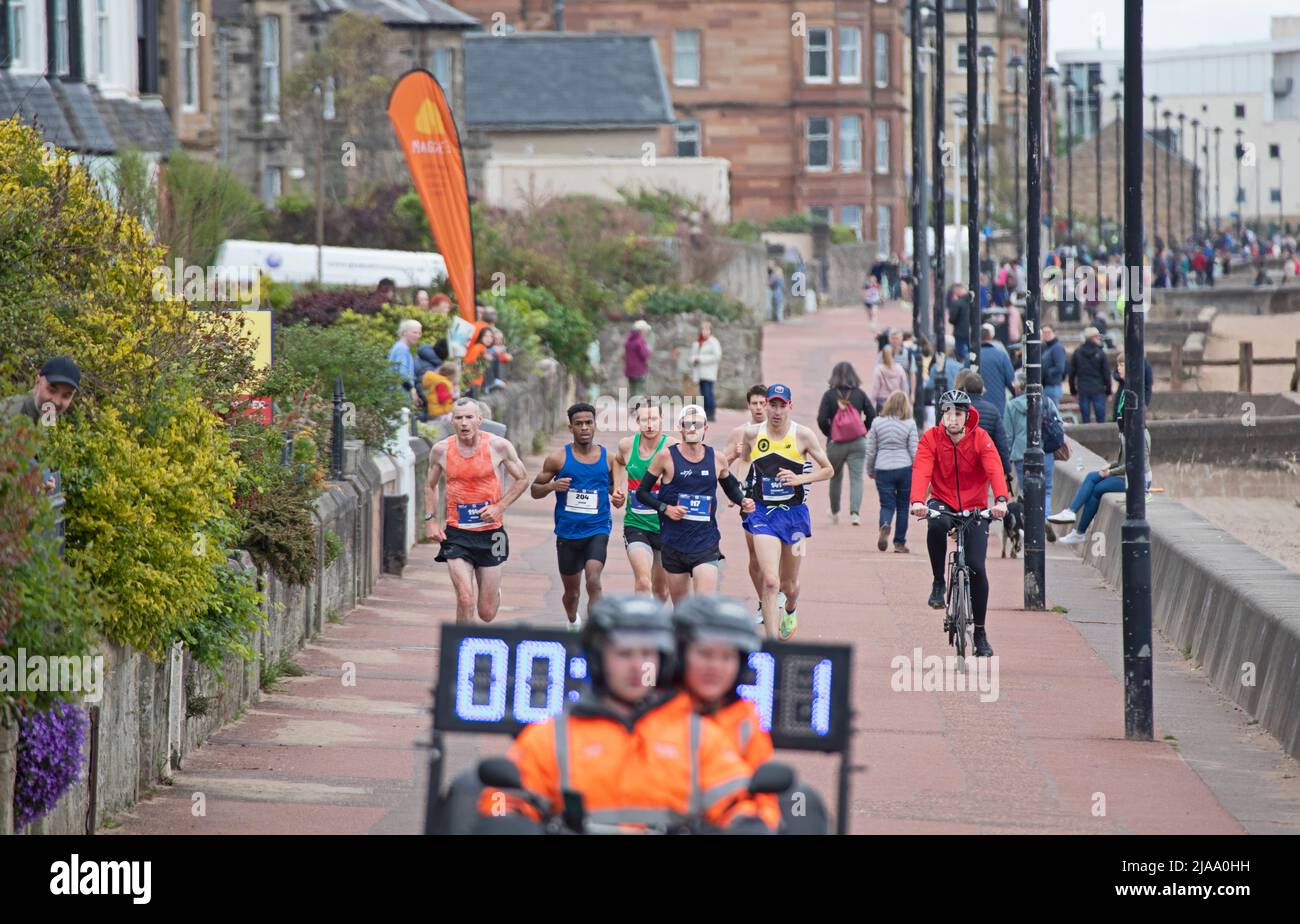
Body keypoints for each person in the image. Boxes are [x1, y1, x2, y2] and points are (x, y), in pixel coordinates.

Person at [478, 595, 777, 833]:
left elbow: (737, 802)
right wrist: (509, 821)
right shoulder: (553, 735)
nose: (638, 667)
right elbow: (502, 799)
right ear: (598, 660)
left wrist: (747, 823)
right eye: (624, 654)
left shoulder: (697, 735)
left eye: (647, 654)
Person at [670, 594, 826, 834]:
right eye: (705, 654)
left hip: (725, 823)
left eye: (726, 657)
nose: (716, 666)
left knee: (804, 804)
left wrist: (754, 823)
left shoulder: (745, 717)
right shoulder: (655, 713)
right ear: (681, 657)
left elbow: (761, 796)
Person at [728, 385, 834, 641]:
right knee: (772, 581)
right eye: (771, 405)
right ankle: (773, 645)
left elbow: (828, 470)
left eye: (781, 405)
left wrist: (800, 478)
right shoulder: (752, 434)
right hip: (763, 514)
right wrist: (740, 492)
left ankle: (790, 608)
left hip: (795, 516)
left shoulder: (803, 435)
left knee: (790, 586)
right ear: (765, 406)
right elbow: (744, 460)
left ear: (790, 406)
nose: (776, 411)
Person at [909, 389, 1009, 658]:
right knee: (937, 524)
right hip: (942, 499)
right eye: (947, 413)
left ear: (967, 416)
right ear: (941, 415)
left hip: (975, 505)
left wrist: (1000, 499)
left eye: (958, 414)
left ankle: (980, 632)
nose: (952, 419)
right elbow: (921, 469)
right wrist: (918, 500)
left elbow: (994, 468)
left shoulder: (980, 438)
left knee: (976, 566)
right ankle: (939, 582)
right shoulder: (931, 438)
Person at [425, 398, 530, 624]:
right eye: (459, 417)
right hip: (457, 533)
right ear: (452, 421)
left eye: (469, 417)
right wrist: (430, 520)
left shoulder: (498, 446)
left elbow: (522, 479)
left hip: (492, 534)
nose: (464, 423)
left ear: (479, 420)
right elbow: (430, 485)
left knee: (487, 613)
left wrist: (499, 506)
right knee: (465, 598)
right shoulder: (441, 450)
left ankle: (494, 594)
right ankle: (460, 652)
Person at [636, 405, 748, 603]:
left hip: (705, 542)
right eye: (687, 424)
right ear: (681, 428)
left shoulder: (717, 458)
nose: (692, 428)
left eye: (697, 424)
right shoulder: (666, 457)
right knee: (682, 611)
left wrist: (743, 501)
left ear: (705, 427)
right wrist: (665, 508)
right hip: (674, 543)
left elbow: (730, 487)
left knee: (703, 607)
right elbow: (642, 493)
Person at [532, 403, 624, 629]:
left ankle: (595, 631)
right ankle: (573, 621)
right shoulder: (558, 459)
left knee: (594, 581)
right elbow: (535, 489)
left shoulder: (609, 458)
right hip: (568, 533)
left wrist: (619, 497)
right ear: (571, 427)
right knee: (571, 594)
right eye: (579, 424)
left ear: (594, 425)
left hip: (597, 529)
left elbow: (615, 488)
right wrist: (553, 486)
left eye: (589, 423)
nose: (584, 428)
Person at [1050, 394, 1152, 544]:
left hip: (1139, 481)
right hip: (1127, 475)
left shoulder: (1140, 435)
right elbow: (1124, 461)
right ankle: (1071, 513)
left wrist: (1110, 472)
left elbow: (1135, 466)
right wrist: (1110, 466)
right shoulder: (1129, 432)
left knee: (1098, 488)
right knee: (1092, 476)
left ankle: (1079, 531)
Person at [725, 386, 781, 623]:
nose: (758, 408)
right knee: (755, 555)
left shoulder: (780, 430)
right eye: (754, 404)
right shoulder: (740, 432)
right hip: (749, 498)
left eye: (762, 403)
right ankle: (764, 600)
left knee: (777, 552)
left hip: (778, 498)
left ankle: (778, 590)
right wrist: (737, 458)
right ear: (748, 405)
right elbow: (720, 463)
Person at [611, 401, 676, 601]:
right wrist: (617, 488)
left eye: (654, 419)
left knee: (661, 590)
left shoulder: (672, 446)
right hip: (636, 523)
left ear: (661, 420)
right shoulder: (627, 445)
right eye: (645, 420)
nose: (650, 425)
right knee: (642, 581)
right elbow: (619, 461)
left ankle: (655, 625)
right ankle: (642, 628)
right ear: (637, 421)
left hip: (665, 526)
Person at [2, 357, 81, 494]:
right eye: (51, 390)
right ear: (37, 381)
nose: (57, 401)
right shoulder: (12, 414)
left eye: (66, 396)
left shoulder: (44, 414)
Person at [816, 362, 873, 526]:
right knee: (856, 478)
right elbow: (872, 414)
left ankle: (834, 512)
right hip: (858, 442)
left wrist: (830, 433)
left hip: (836, 444)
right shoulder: (859, 394)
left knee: (834, 476)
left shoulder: (829, 395)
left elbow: (821, 419)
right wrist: (863, 430)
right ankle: (855, 513)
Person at [865, 390, 918, 553]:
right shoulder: (909, 423)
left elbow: (871, 449)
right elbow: (914, 450)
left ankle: (885, 524)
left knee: (886, 504)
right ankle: (899, 543)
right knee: (903, 506)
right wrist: (917, 470)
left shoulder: (877, 422)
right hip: (904, 467)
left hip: (883, 467)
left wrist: (870, 468)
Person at [1002, 369, 1057, 515]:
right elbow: (1059, 423)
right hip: (1046, 450)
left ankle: (1032, 521)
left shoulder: (1011, 405)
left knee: (1026, 491)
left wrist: (1006, 459)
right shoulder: (1046, 401)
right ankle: (1045, 516)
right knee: (1047, 490)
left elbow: (1008, 436)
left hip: (1021, 454)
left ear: (1020, 385)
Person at [954, 370, 1013, 493]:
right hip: (982, 462)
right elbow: (1002, 443)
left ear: (965, 389)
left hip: (960, 460)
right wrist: (1006, 470)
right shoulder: (992, 410)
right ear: (982, 390)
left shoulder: (956, 409)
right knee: (979, 495)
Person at [1068, 326, 1111, 424]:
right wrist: (1108, 391)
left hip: (1083, 388)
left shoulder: (1077, 352)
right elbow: (1106, 373)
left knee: (1085, 418)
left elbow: (1072, 374)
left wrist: (1073, 391)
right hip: (1098, 388)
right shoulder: (1100, 353)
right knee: (1101, 419)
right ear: (1094, 337)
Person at [975, 323, 1015, 418]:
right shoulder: (1001, 356)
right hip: (997, 407)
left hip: (976, 408)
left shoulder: (971, 357)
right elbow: (1011, 381)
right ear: (991, 337)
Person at [690, 320, 723, 421]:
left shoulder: (713, 342)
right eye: (703, 329)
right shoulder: (697, 343)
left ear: (710, 331)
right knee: (703, 394)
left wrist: (700, 359)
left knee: (708, 393)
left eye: (707, 329)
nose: (704, 332)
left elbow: (717, 356)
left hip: (709, 372)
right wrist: (693, 360)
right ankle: (705, 413)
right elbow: (691, 356)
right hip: (699, 373)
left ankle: (711, 413)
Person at [387, 319, 422, 408]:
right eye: (415, 332)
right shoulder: (401, 349)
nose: (418, 336)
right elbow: (401, 375)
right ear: (405, 332)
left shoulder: (401, 347)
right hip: (398, 399)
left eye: (419, 333)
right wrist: (412, 390)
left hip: (398, 398)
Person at [1112, 353, 1153, 419]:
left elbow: (1148, 387)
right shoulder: (1122, 388)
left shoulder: (1145, 365)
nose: (1118, 368)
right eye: (1118, 365)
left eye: (1121, 365)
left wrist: (1145, 403)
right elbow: (1115, 373)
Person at [870, 346, 909, 413]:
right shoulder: (900, 369)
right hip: (897, 402)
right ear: (894, 355)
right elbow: (904, 387)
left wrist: (870, 403)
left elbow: (875, 389)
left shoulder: (879, 370)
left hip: (882, 403)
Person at [1041, 325, 1068, 407]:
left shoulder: (1057, 348)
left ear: (1054, 333)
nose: (1046, 334)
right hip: (1046, 385)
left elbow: (1060, 367)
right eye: (1044, 333)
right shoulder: (1045, 347)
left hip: (1053, 386)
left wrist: (1046, 373)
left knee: (1052, 413)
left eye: (1048, 332)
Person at [624, 320, 652, 397]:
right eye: (645, 331)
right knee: (640, 393)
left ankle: (633, 408)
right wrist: (648, 350)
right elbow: (645, 354)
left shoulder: (628, 341)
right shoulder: (639, 341)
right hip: (639, 371)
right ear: (641, 331)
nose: (646, 333)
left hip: (630, 371)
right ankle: (638, 409)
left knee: (633, 393)